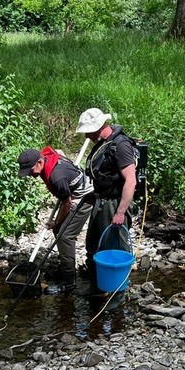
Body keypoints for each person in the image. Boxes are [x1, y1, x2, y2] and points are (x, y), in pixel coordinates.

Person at [17, 145, 94, 281]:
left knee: (65, 235)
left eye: (30, 171)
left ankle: (68, 277)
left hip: (85, 197)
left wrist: (56, 222)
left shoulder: (56, 177)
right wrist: (57, 225)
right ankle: (64, 264)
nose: (30, 175)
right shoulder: (45, 157)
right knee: (58, 230)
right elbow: (59, 152)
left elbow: (67, 204)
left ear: (39, 162)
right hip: (71, 193)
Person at [75, 108, 138, 273]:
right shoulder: (103, 144)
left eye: (88, 132)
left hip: (114, 203)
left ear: (99, 127)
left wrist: (120, 212)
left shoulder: (121, 145)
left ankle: (116, 285)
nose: (86, 136)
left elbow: (131, 181)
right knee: (94, 245)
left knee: (114, 247)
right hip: (100, 201)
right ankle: (95, 279)